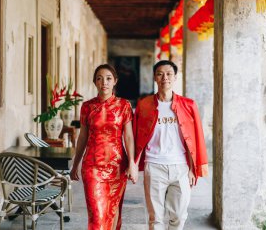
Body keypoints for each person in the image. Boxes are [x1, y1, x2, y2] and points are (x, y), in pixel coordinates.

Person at [133, 60, 208, 230]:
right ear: (154, 77)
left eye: (169, 74)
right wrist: (134, 163)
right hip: (154, 165)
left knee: (179, 216)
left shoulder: (188, 105)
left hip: (180, 167)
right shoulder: (144, 105)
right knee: (155, 218)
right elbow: (136, 136)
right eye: (160, 74)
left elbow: (194, 138)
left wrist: (192, 168)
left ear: (175, 77)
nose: (164, 77)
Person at [70, 64, 138, 230]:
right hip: (92, 167)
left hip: (117, 167)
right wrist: (75, 164)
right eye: (99, 79)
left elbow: (128, 137)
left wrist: (132, 164)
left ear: (115, 81)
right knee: (97, 217)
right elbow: (83, 137)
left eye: (108, 78)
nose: (104, 82)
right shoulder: (87, 107)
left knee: (112, 212)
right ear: (95, 82)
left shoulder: (124, 105)